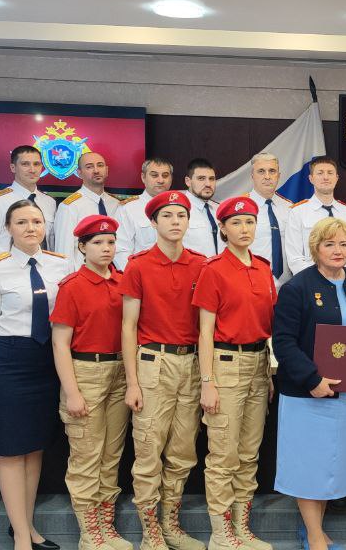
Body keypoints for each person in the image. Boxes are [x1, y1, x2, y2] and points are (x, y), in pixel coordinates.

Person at [0, 200, 67, 550]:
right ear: (8, 228)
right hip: (10, 362)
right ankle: (22, 538)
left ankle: (26, 525)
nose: (31, 228)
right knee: (11, 449)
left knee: (34, 447)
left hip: (48, 360)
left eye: (37, 221)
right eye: (22, 222)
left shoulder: (61, 264)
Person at [272, 217, 346, 550]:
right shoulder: (296, 288)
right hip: (306, 393)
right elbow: (284, 342)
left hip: (341, 394)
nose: (338, 250)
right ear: (316, 248)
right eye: (330, 244)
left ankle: (316, 530)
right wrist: (312, 378)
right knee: (308, 465)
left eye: (344, 244)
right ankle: (315, 537)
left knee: (330, 465)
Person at [120, 191, 207, 550]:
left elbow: (207, 326)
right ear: (153, 223)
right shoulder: (138, 265)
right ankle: (149, 530)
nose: (175, 222)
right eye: (167, 215)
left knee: (183, 450)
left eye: (181, 216)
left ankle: (170, 522)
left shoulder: (201, 264)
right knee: (149, 448)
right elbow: (128, 326)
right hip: (153, 362)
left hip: (191, 362)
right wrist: (132, 382)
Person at [193, 195, 277, 550]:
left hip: (258, 365)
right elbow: (204, 332)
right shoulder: (213, 269)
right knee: (223, 454)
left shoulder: (263, 267)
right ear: (223, 229)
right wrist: (207, 382)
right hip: (225, 366)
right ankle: (221, 532)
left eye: (250, 222)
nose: (245, 229)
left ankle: (241, 527)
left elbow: (267, 327)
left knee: (248, 453)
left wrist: (269, 374)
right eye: (237, 223)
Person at [50, 214, 132, 550]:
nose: (106, 248)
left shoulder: (124, 281)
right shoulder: (72, 287)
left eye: (110, 242)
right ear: (82, 247)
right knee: (86, 454)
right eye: (97, 242)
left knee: (111, 454)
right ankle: (89, 532)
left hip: (121, 371)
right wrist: (71, 391)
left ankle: (105, 525)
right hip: (86, 373)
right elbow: (59, 344)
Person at [285, 157, 346, 275]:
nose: (326, 177)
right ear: (311, 179)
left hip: (345, 280)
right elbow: (295, 258)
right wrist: (317, 280)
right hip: (311, 282)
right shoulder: (297, 212)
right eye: (320, 173)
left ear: (336, 178)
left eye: (330, 173)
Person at [0, 145, 57, 257]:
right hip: (7, 271)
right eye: (25, 164)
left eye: (36, 164)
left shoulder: (49, 202)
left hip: (44, 269)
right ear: (13, 168)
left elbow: (50, 242)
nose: (32, 170)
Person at [53, 152, 122, 266]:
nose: (96, 170)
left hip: (115, 275)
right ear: (79, 173)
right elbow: (64, 253)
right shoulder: (69, 206)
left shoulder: (117, 204)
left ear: (106, 170)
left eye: (100, 165)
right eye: (89, 167)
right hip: (84, 276)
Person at [244, 153, 295, 287]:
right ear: (252, 176)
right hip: (251, 284)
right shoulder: (241, 208)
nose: (267, 176)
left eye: (272, 171)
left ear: (278, 175)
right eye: (261, 171)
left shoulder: (290, 207)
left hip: (287, 286)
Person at [114, 158, 174, 269]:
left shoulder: (179, 209)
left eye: (165, 175)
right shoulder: (128, 209)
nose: (160, 180)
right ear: (143, 177)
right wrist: (135, 278)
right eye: (154, 175)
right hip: (142, 276)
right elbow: (120, 250)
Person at [181, 158, 222, 257]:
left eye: (211, 179)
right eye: (201, 178)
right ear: (188, 181)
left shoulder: (219, 209)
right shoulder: (178, 209)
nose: (208, 184)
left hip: (220, 270)